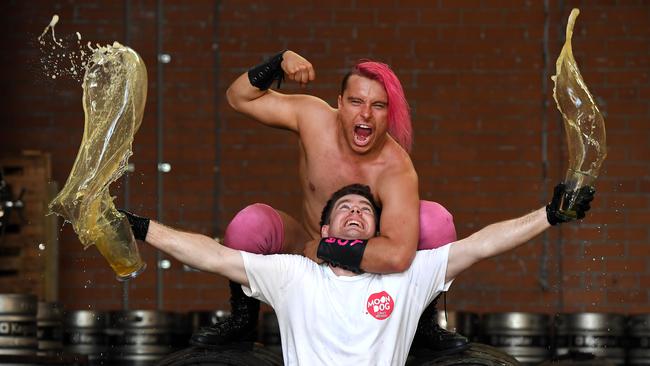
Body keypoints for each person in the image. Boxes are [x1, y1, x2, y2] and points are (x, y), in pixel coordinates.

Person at [120, 181, 595, 365]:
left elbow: (482, 243)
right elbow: (212, 255)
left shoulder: (408, 274)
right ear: (324, 229)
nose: (354, 213)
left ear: (379, 229)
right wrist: (141, 227)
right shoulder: (292, 276)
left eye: (365, 210)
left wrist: (550, 215)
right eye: (344, 208)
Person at [198, 49, 463, 353]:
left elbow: (398, 256)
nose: (365, 114)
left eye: (378, 106)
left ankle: (422, 326)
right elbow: (238, 97)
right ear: (339, 103)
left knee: (435, 221)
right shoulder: (313, 117)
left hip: (367, 261)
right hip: (308, 248)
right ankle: (243, 322)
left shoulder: (396, 166)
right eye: (355, 102)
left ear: (388, 114)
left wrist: (327, 249)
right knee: (250, 223)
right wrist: (277, 63)